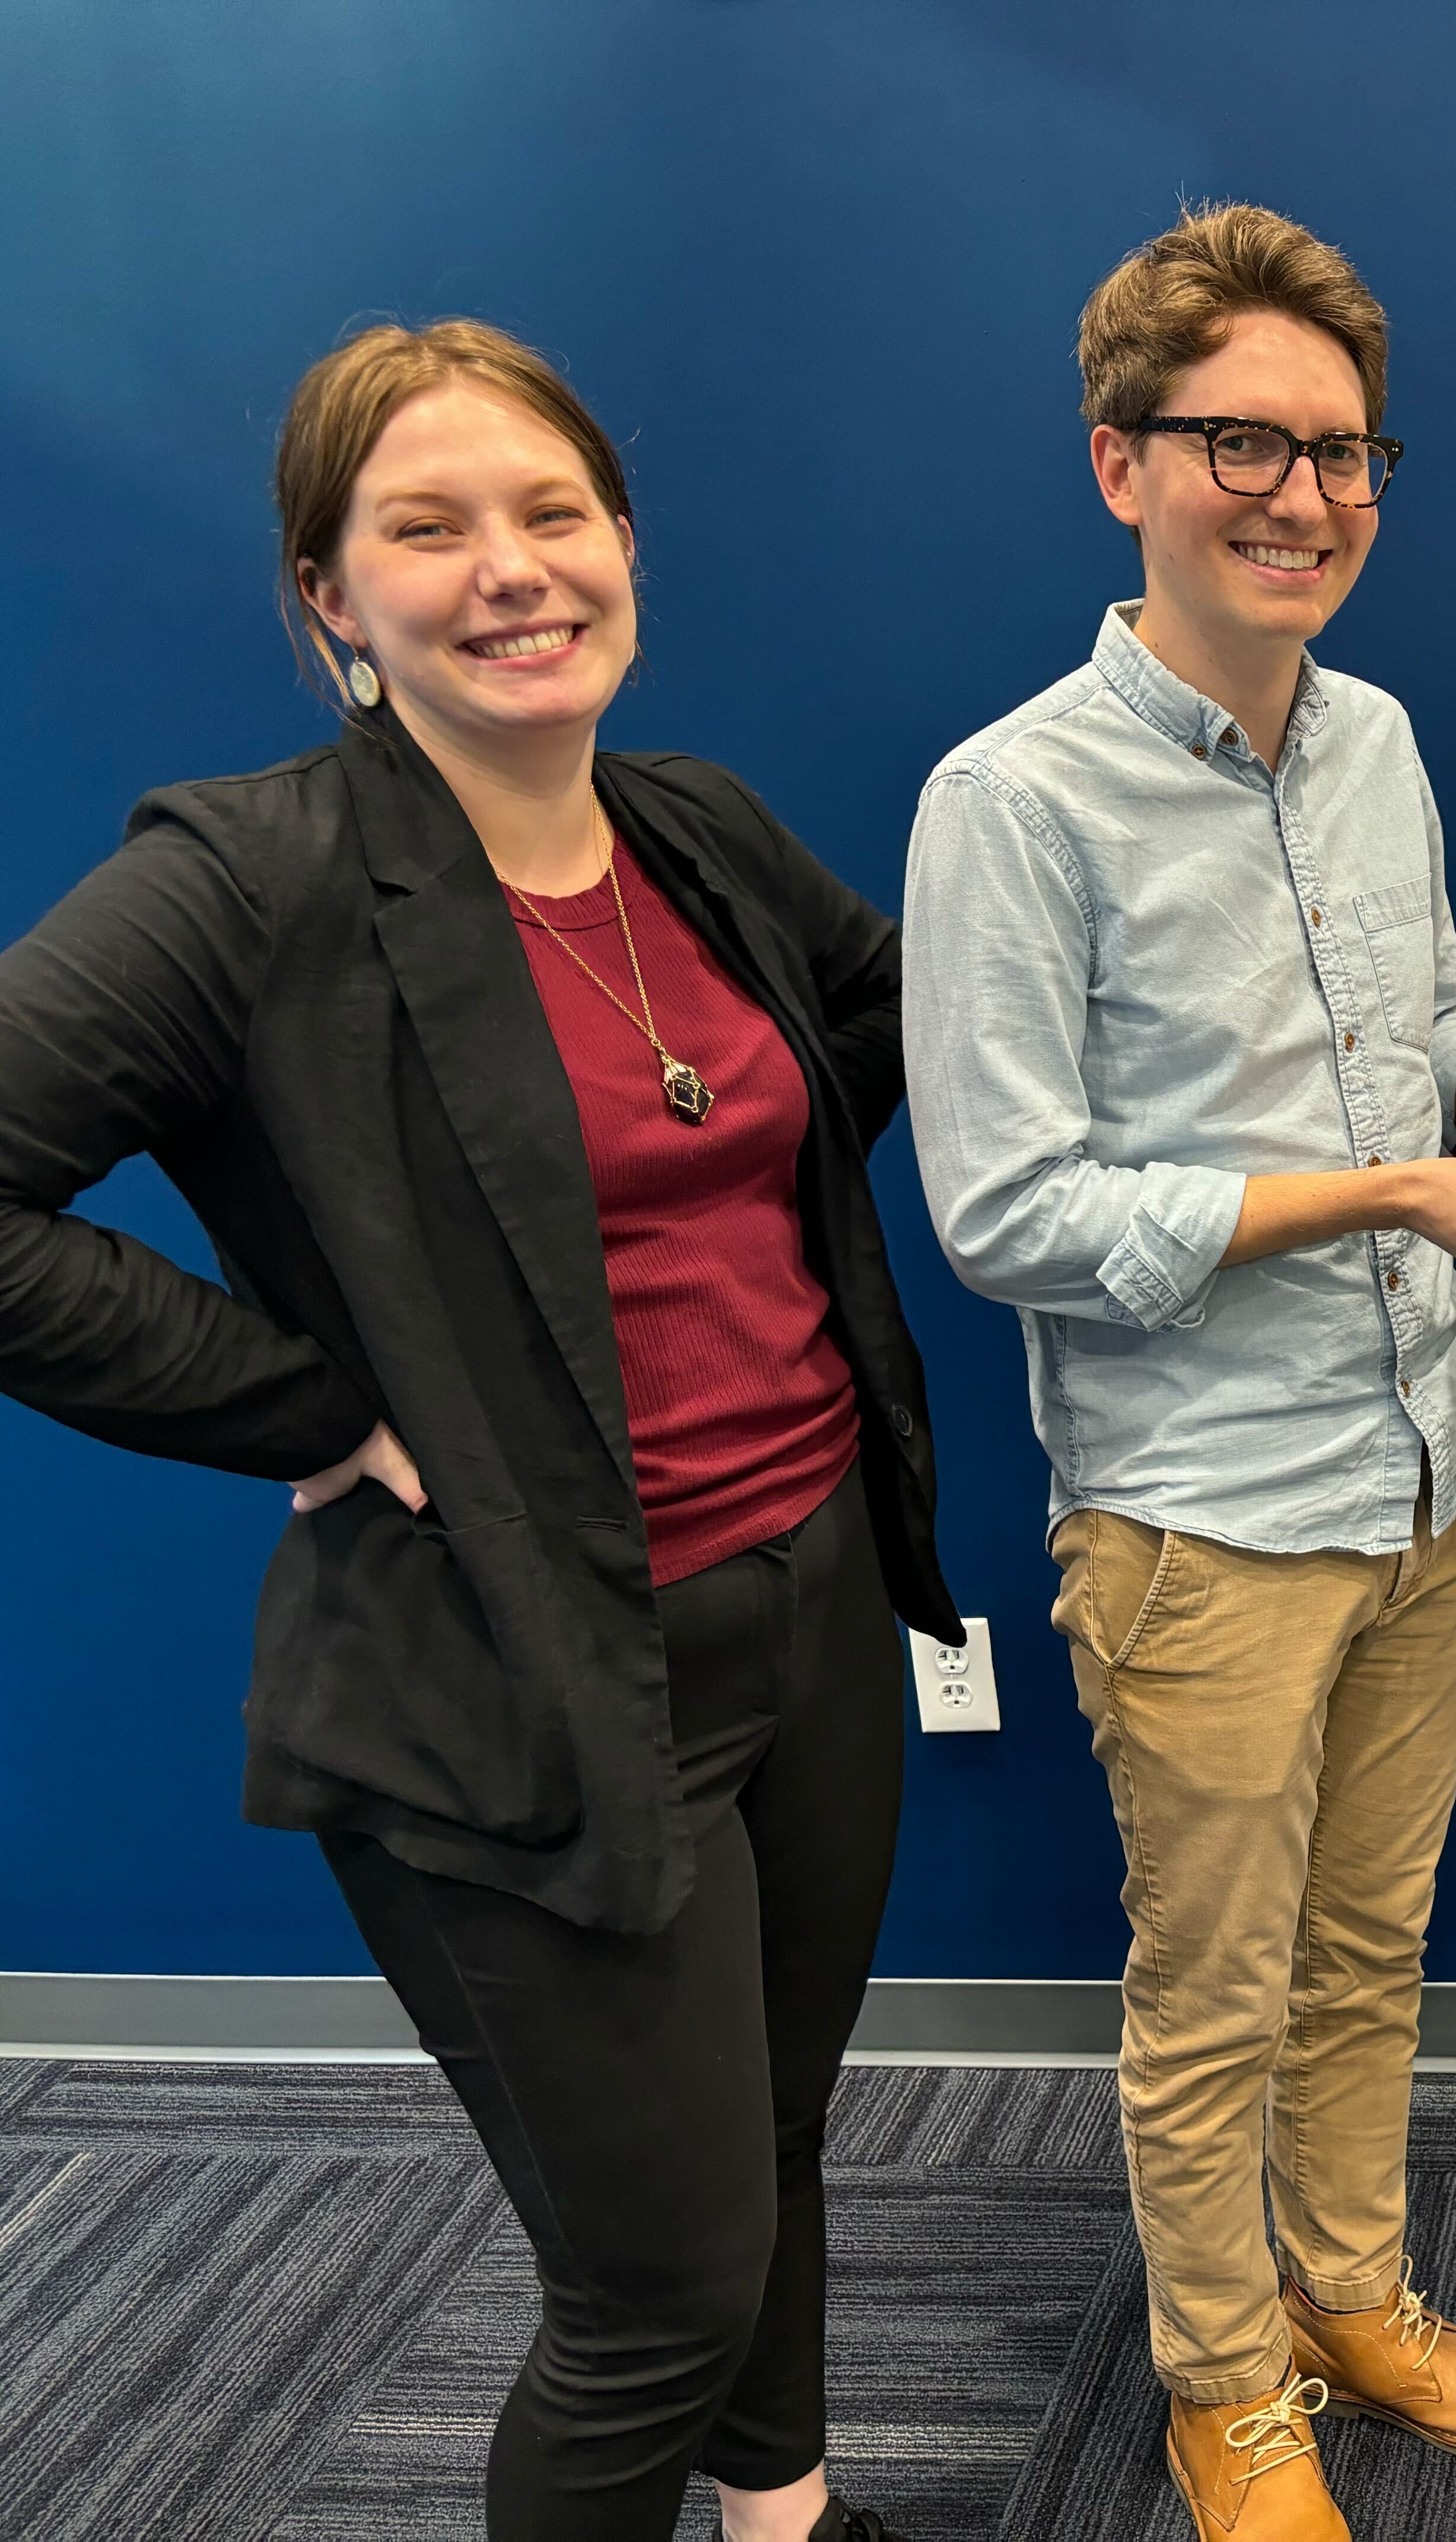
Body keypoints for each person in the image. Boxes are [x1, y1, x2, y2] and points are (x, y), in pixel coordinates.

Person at [0, 322, 954, 2542]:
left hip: (808, 1610)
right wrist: (318, 1401)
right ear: (329, 596)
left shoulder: (693, 831)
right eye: (426, 528)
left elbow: (886, 1019)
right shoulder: (252, 881)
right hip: (512, 1675)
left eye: (554, 512)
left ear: (624, 540)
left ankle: (792, 2530)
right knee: (655, 2290)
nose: (512, 569)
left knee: (777, 2143)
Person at [902, 206, 1456, 2542]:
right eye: (1242, 445)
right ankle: (1229, 2386)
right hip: (1202, 1504)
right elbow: (1008, 1216)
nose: (1303, 496)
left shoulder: (1379, 743)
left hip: (1433, 1459)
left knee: (1372, 1940)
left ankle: (1353, 2293)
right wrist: (1388, 1198)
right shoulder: (1012, 802)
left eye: (1341, 453)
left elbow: (1407, 1041)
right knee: (1210, 1993)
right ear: (1122, 463)